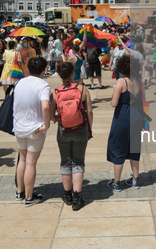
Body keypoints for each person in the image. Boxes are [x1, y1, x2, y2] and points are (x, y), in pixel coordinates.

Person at [50, 62, 93, 211]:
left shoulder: (56, 92)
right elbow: (90, 112)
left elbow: (50, 115)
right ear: (73, 73)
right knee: (78, 162)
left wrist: (59, 117)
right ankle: (77, 198)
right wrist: (89, 129)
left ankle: (67, 195)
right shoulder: (83, 89)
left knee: (65, 162)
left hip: (63, 131)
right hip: (81, 129)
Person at [13, 57, 50, 206]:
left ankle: (20, 192)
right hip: (35, 128)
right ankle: (29, 197)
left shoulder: (19, 82)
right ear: (43, 70)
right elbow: (46, 106)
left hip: (19, 126)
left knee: (22, 160)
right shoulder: (43, 85)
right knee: (31, 163)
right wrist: (46, 125)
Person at [107, 56, 146, 192]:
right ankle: (135, 179)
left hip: (123, 117)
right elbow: (144, 102)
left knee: (118, 147)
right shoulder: (139, 82)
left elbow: (114, 103)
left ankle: (117, 182)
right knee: (134, 148)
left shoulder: (121, 82)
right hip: (137, 117)